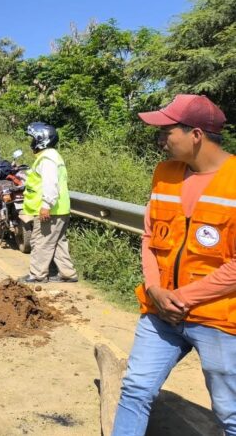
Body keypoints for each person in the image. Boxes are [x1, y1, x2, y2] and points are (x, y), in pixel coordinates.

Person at [112, 95, 235, 435]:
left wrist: (182, 297)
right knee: (135, 390)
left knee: (230, 414)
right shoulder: (164, 173)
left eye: (166, 131)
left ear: (196, 134)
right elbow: (150, 236)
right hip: (160, 312)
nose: (161, 140)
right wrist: (155, 289)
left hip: (218, 318)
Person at [19, 123, 78, 284]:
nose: (31, 143)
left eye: (33, 139)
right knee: (58, 242)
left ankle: (37, 275)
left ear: (41, 140)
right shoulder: (52, 156)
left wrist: (46, 205)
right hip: (60, 209)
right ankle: (68, 273)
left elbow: (50, 184)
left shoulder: (47, 159)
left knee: (41, 242)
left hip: (50, 210)